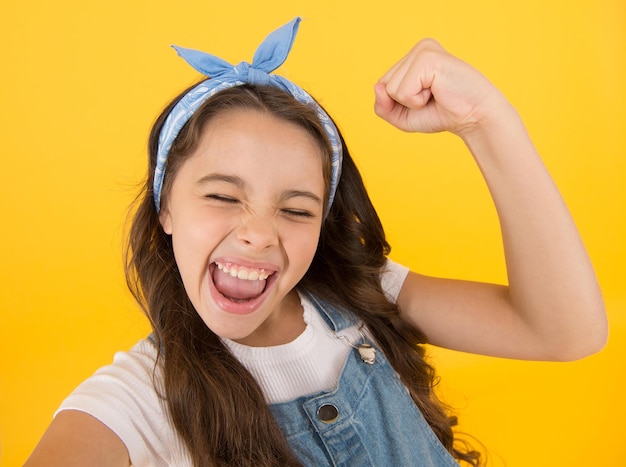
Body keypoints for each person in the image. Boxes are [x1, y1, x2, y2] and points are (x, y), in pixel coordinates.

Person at [25, 17, 607, 466]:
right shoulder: (136, 398)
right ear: (166, 208)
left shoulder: (367, 299)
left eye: (296, 209)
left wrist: (487, 119)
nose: (258, 233)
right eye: (223, 196)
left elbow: (567, 331)